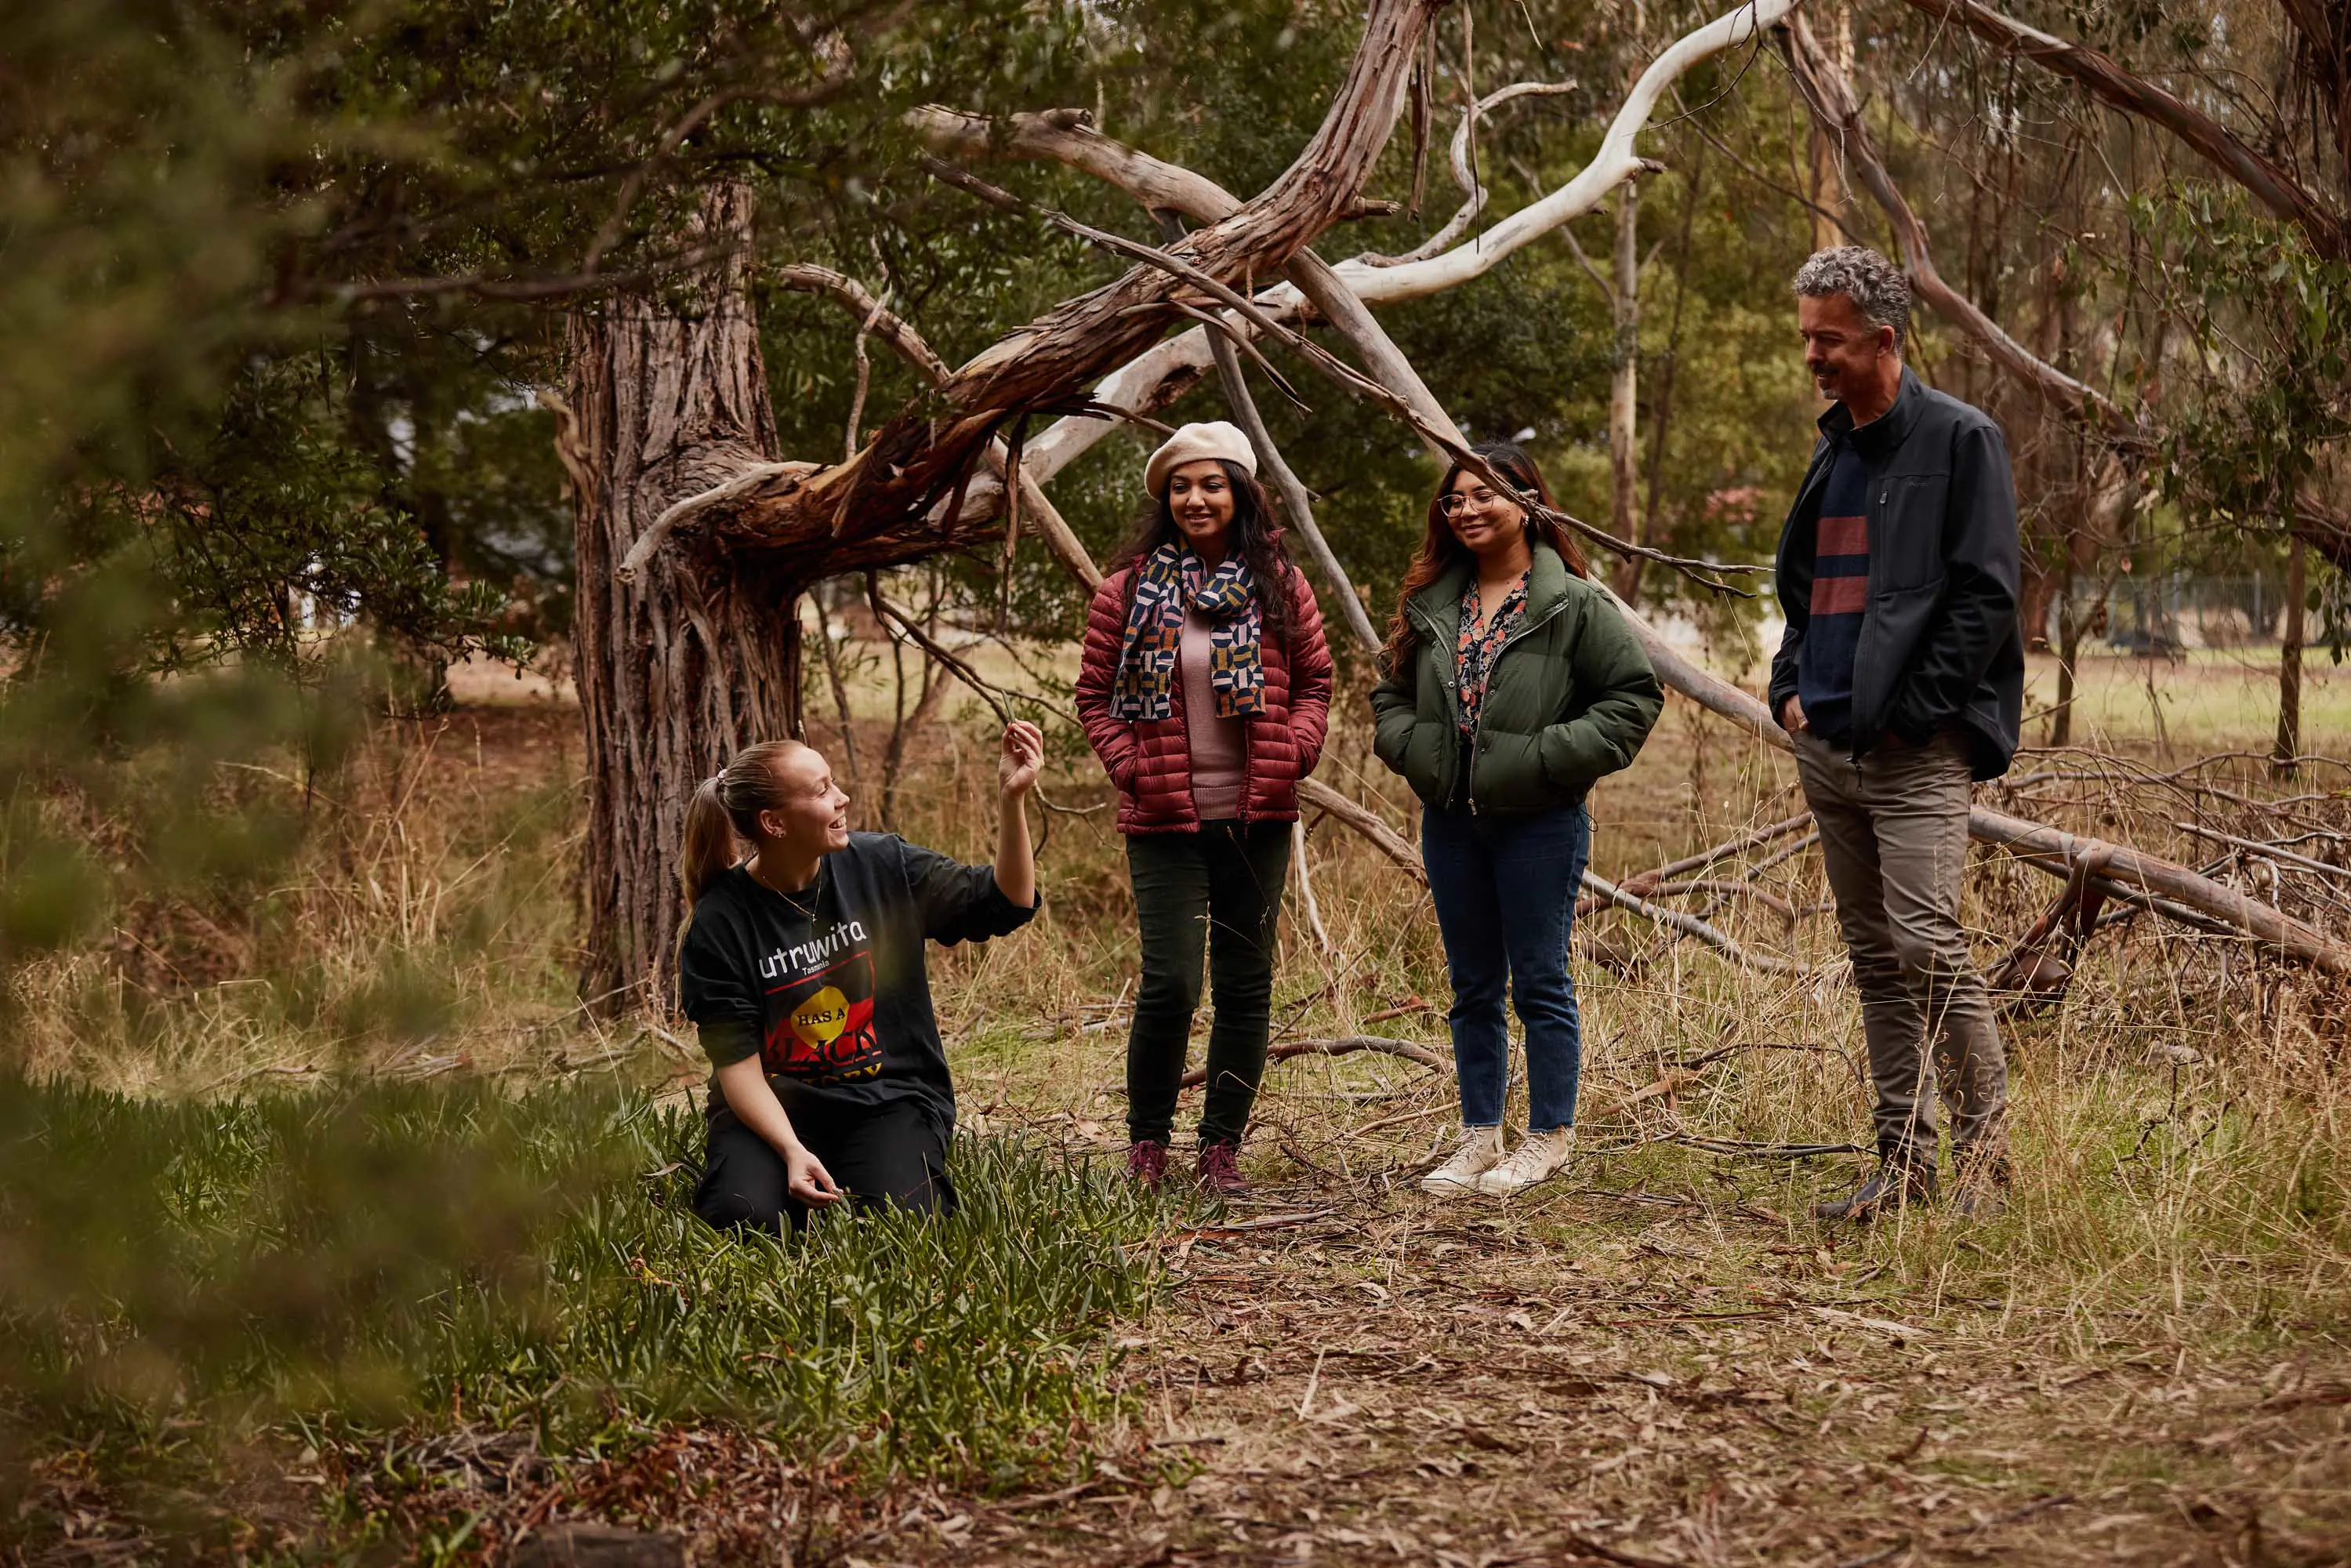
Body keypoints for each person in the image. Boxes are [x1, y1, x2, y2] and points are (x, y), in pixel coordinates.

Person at [1771, 245, 2021, 1222]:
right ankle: (1902, 1167)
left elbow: (1985, 596)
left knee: (1927, 943)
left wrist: (1913, 715)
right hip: (1825, 743)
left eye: (1825, 339)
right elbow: (1802, 593)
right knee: (1874, 955)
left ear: (1882, 338)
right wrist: (1789, 688)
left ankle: (1985, 1172)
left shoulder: (1961, 440)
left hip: (1913, 749)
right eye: (1804, 337)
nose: (1810, 357)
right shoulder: (1832, 452)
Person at [1370, 443, 1662, 1199]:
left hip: (1540, 822)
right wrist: (1415, 751)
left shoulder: (1574, 603)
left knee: (1538, 980)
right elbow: (1389, 696)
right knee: (1471, 985)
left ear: (1529, 503)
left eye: (1484, 495)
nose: (1465, 509)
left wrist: (1541, 757)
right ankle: (1478, 1137)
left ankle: (1547, 1138)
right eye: (1454, 499)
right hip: (1451, 820)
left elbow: (1632, 701)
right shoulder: (1432, 600)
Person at [1076, 420, 1334, 1196]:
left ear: (1239, 492)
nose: (1194, 497)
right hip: (1163, 816)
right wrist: (1128, 766)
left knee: (1246, 983)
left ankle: (1219, 1146)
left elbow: (1316, 682)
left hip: (1258, 814)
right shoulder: (1126, 590)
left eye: (1210, 483)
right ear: (1166, 497)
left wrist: (1295, 749)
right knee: (1172, 983)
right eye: (1180, 485)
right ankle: (1147, 1143)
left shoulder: (1277, 583)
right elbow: (1094, 698)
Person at [677, 722, 1044, 1235]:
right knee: (744, 1218)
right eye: (822, 789)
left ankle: (864, 1166)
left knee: (910, 1223)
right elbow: (737, 1065)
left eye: (834, 783)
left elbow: (1007, 903)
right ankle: (786, 1170)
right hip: (776, 1103)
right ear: (774, 823)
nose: (842, 797)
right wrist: (789, 1148)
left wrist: (1013, 800)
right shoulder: (721, 922)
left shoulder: (881, 864)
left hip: (887, 1098)